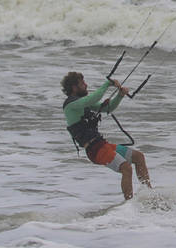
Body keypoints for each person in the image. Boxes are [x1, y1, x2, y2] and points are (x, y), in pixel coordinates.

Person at [61, 71, 152, 200]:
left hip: (103, 145)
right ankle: (129, 204)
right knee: (126, 168)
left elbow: (108, 108)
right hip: (95, 150)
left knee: (138, 157)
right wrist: (107, 84)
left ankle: (149, 194)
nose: (86, 85)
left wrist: (119, 96)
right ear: (74, 88)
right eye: (82, 84)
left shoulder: (83, 103)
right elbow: (93, 98)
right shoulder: (71, 105)